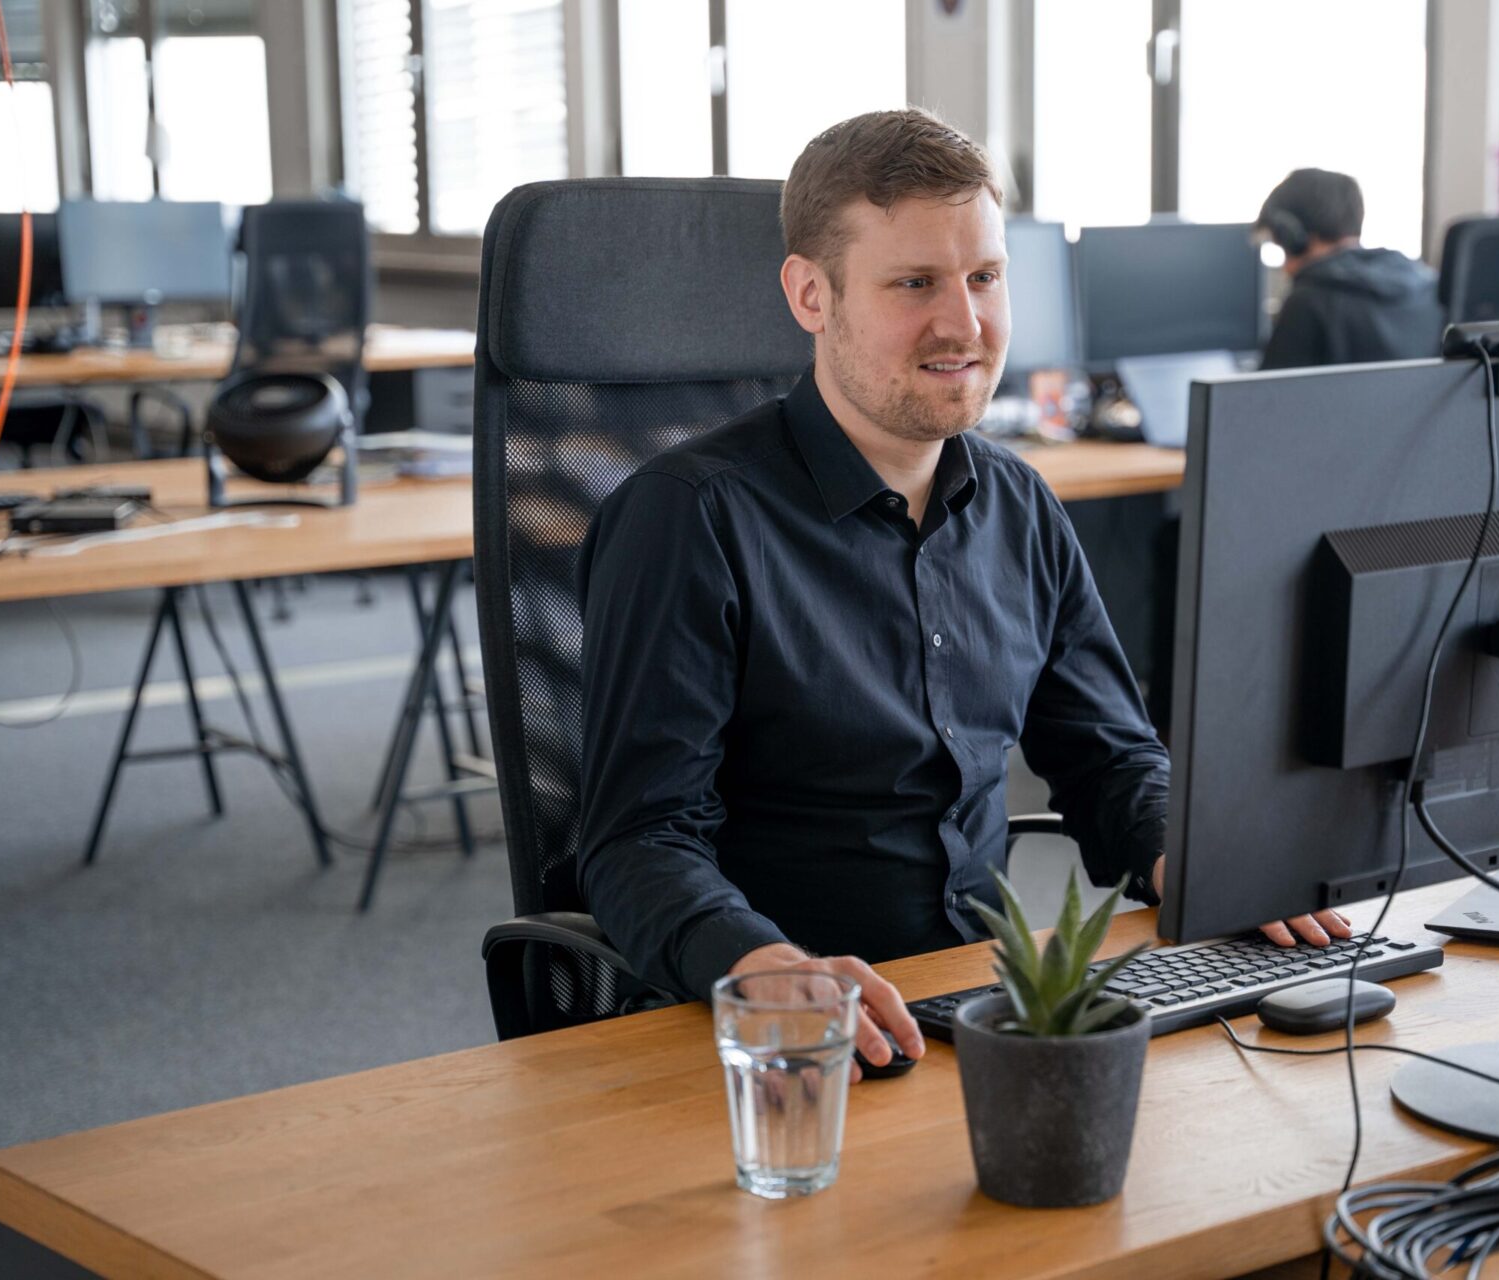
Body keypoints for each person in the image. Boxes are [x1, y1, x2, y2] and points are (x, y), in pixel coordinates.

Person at [577, 109, 1350, 1075]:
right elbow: (639, 838)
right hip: (789, 1045)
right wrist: (762, 964)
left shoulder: (1018, 502)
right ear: (811, 295)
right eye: (914, 284)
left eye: (984, 277)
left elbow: (1110, 757)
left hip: (986, 1013)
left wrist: (1192, 862)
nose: (965, 323)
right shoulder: (690, 519)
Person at [1254, 168, 1444, 370]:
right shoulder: (1428, 285)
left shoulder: (1309, 301)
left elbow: (1264, 397)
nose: (1285, 269)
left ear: (1293, 236)